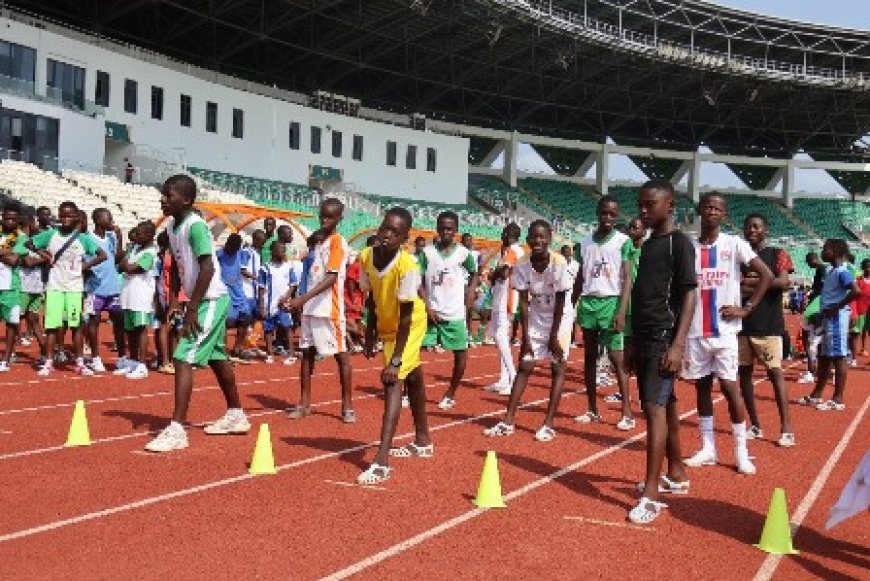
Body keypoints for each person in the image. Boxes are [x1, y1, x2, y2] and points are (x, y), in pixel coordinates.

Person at [145, 175, 249, 453]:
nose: (163, 199)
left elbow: (208, 269)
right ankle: (236, 414)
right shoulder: (171, 227)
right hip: (199, 300)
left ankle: (177, 429)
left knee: (182, 358)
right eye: (163, 194)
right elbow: (178, 266)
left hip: (211, 299)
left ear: (187, 200)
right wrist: (176, 302)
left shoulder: (196, 227)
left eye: (169, 195)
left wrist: (191, 309)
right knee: (217, 358)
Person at [682, 192, 772, 476]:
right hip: (696, 331)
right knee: (702, 389)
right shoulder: (689, 248)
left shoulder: (734, 244)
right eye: (708, 206)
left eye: (718, 208)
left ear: (724, 214)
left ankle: (740, 451)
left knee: (731, 389)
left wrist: (747, 309)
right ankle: (708, 448)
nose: (712, 211)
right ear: (700, 211)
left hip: (725, 333)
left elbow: (766, 275)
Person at [628, 180, 697, 525]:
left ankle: (652, 494)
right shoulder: (649, 244)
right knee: (665, 405)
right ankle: (677, 472)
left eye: (649, 204)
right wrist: (630, 341)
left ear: (669, 205)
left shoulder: (678, 244)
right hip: (642, 336)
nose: (642, 210)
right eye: (640, 204)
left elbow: (689, 296)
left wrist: (678, 344)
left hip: (662, 337)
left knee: (653, 411)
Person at [357, 207, 431, 485]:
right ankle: (423, 440)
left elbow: (408, 315)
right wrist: (370, 333)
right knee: (414, 378)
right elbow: (373, 298)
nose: (387, 235)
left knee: (393, 381)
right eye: (385, 228)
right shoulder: (366, 256)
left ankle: (381, 462)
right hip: (388, 324)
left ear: (405, 238)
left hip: (408, 326)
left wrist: (396, 358)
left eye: (395, 232)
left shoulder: (408, 266)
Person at [484, 220, 572, 441]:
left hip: (560, 317)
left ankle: (549, 423)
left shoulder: (558, 262)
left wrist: (554, 336)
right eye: (533, 236)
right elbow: (523, 302)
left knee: (557, 366)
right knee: (525, 365)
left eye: (542, 237)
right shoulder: (522, 263)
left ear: (550, 239)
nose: (537, 241)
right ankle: (508, 421)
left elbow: (561, 300)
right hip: (536, 314)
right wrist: (524, 337)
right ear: (528, 239)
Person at [287, 198, 355, 422]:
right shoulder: (317, 243)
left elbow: (331, 277)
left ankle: (347, 406)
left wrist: (303, 298)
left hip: (328, 309)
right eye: (322, 216)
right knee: (306, 355)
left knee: (340, 356)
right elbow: (309, 272)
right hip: (309, 309)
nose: (325, 220)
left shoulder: (338, 242)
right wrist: (296, 298)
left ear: (339, 219)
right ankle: (304, 403)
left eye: (330, 217)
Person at [572, 196, 635, 430]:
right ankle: (592, 409)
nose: (608, 218)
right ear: (597, 212)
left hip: (611, 302)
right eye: (604, 213)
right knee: (589, 358)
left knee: (617, 359)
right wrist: (571, 303)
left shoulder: (623, 241)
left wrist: (621, 310)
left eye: (612, 214)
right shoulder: (585, 242)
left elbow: (627, 278)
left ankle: (626, 412)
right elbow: (580, 276)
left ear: (616, 216)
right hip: (588, 303)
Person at [26, 201, 106, 377]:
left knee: (76, 326)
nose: (66, 219)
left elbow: (102, 255)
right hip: (54, 287)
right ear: (59, 217)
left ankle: (79, 362)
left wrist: (85, 265)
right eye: (63, 215)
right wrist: (45, 255)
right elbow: (29, 243)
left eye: (70, 215)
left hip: (75, 287)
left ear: (77, 217)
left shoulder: (82, 238)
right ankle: (48, 362)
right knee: (52, 326)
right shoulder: (51, 234)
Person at [737, 214, 795, 448]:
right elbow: (734, 285)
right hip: (742, 327)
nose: (751, 230)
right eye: (748, 226)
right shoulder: (739, 256)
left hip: (769, 326)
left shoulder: (777, 254)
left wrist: (751, 284)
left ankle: (787, 428)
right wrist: (761, 282)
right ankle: (755, 424)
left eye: (756, 226)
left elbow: (783, 282)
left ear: (765, 230)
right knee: (744, 377)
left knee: (775, 375)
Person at [418, 211, 478, 410]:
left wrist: (471, 293)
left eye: (450, 229)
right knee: (413, 352)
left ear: (456, 231)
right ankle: (410, 391)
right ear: (437, 229)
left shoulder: (463, 253)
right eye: (442, 228)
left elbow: (474, 272)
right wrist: (427, 305)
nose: (446, 232)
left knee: (461, 354)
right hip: (430, 312)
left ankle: (450, 393)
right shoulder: (427, 253)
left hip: (454, 313)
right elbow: (418, 281)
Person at [796, 239, 860, 411]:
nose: (822, 252)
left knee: (838, 357)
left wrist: (837, 307)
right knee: (824, 357)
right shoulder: (831, 270)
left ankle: (838, 399)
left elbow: (856, 291)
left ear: (836, 252)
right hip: (828, 318)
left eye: (826, 249)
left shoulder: (842, 271)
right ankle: (816, 395)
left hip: (837, 319)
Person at [84, 208, 125, 373]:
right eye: (109, 219)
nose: (112, 222)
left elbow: (118, 257)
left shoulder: (111, 237)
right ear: (99, 221)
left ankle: (122, 357)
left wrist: (120, 238)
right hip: (95, 289)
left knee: (119, 323)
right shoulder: (88, 238)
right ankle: (95, 358)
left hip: (113, 288)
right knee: (94, 322)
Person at [116, 221, 157, 379]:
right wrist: (126, 264)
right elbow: (121, 266)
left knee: (140, 329)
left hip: (141, 297)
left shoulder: (150, 252)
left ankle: (141, 364)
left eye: (139, 234)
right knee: (130, 330)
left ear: (149, 236)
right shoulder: (135, 249)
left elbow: (131, 269)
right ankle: (132, 361)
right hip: (128, 294)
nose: (135, 236)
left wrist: (126, 264)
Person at [487, 223, 524, 394]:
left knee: (501, 336)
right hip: (500, 297)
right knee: (497, 335)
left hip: (507, 298)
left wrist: (493, 274)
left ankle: (513, 377)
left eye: (503, 232)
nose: (501, 235)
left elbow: (503, 273)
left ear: (509, 234)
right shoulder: (510, 251)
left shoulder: (513, 250)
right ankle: (504, 379)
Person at [216, 233, 254, 362]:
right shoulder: (219, 255)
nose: (232, 249)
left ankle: (237, 349)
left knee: (246, 319)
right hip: (225, 294)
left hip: (239, 293)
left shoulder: (241, 254)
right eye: (230, 246)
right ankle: (223, 351)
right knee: (227, 323)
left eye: (235, 247)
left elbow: (249, 254)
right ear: (227, 243)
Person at [258, 241, 297, 364]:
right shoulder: (265, 268)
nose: (283, 252)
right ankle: (270, 354)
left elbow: (293, 285)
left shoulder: (288, 267)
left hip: (284, 303)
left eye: (283, 250)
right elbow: (261, 288)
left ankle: (291, 354)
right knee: (269, 329)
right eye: (280, 249)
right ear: (273, 251)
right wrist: (261, 306)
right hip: (270, 304)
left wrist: (286, 297)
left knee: (287, 327)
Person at [0, 202, 28, 371]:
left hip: (10, 286)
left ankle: (6, 358)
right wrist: (5, 252)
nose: (9, 222)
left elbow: (14, 260)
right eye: (6, 218)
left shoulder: (22, 238)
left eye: (13, 219)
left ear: (18, 221)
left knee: (11, 324)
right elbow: (9, 257)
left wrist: (8, 254)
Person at [17, 214, 47, 363]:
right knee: (14, 318)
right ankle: (10, 353)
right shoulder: (20, 239)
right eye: (34, 222)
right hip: (22, 286)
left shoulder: (33, 241)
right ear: (29, 223)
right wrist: (45, 258)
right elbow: (27, 262)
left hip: (35, 286)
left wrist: (42, 259)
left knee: (34, 319)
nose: (36, 224)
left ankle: (44, 352)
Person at [857, 259, 870, 356]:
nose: (868, 269)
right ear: (862, 268)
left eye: (869, 267)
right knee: (862, 329)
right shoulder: (859, 280)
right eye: (866, 267)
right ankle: (863, 348)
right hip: (861, 308)